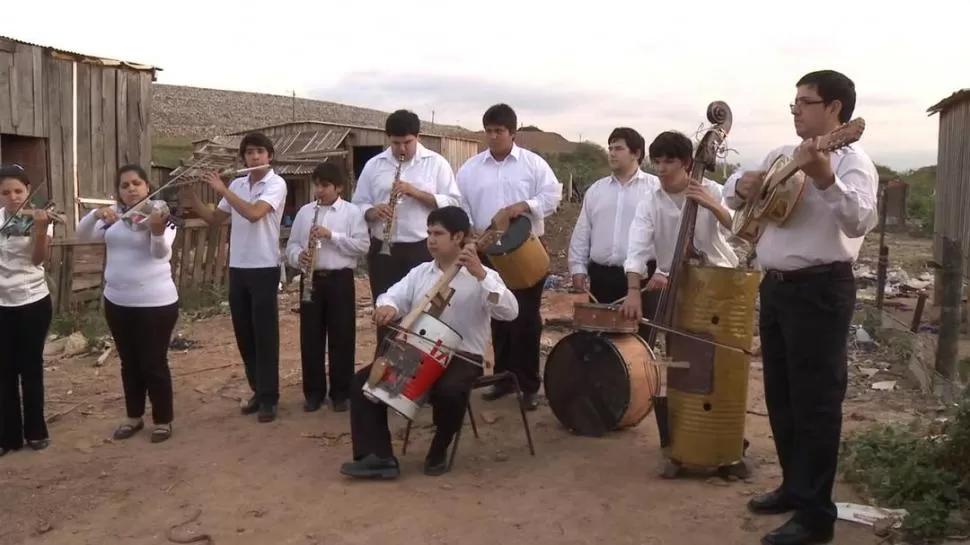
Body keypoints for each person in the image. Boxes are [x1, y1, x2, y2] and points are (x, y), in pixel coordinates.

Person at [723, 70, 877, 545]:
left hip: (820, 291)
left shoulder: (853, 161)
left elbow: (859, 220)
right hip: (778, 288)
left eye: (805, 103)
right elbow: (732, 191)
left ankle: (816, 517)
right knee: (782, 396)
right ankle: (795, 487)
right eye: (793, 104)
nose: (796, 110)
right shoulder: (781, 155)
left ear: (835, 110)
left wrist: (825, 178)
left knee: (816, 404)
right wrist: (743, 185)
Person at [340, 206, 518, 479]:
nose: (431, 240)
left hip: (463, 356)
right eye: (428, 233)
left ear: (459, 237)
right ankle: (378, 457)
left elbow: (510, 311)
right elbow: (392, 296)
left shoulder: (483, 275)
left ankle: (439, 447)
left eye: (438, 233)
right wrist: (386, 307)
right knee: (364, 384)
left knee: (449, 391)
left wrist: (481, 275)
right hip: (418, 351)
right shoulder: (420, 273)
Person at [456, 103, 562, 410]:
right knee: (499, 315)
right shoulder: (471, 168)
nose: (493, 136)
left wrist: (523, 205)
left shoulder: (533, 165)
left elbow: (552, 194)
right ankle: (503, 379)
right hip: (488, 253)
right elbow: (459, 201)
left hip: (525, 251)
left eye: (499, 131)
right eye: (488, 131)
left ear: (513, 132)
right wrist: (469, 231)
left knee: (526, 318)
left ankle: (528, 385)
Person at [182, 132, 288, 423]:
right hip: (238, 267)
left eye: (259, 152)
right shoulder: (239, 183)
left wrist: (222, 190)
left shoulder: (276, 184)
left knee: (265, 335)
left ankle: (270, 397)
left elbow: (254, 213)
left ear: (269, 156)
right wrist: (192, 196)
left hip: (264, 267)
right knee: (245, 334)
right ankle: (257, 389)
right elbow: (215, 219)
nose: (254, 157)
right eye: (249, 152)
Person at [76, 164, 180, 443]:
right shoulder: (116, 216)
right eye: (125, 185)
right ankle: (133, 417)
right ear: (119, 191)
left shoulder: (160, 215)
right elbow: (83, 235)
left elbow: (160, 254)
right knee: (129, 362)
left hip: (156, 302)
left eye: (136, 183)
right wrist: (95, 214)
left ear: (148, 186)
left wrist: (156, 232)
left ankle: (163, 419)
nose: (131, 188)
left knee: (153, 362)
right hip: (118, 300)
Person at [352, 109, 462, 351]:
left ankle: (420, 374)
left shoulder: (436, 163)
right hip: (383, 250)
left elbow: (454, 203)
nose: (401, 149)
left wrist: (416, 193)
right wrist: (373, 211)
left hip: (423, 249)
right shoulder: (374, 165)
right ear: (388, 139)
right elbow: (357, 203)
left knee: (425, 312)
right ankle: (385, 375)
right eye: (395, 143)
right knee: (386, 313)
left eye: (407, 143)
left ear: (418, 137)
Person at [620, 130, 739, 322]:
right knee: (679, 348)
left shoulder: (712, 190)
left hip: (719, 280)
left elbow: (737, 227)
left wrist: (712, 204)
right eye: (657, 162)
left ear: (685, 163)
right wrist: (633, 290)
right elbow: (637, 247)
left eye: (668, 162)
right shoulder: (649, 201)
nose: (661, 169)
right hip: (676, 285)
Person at [285, 163, 369, 413]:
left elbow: (362, 247)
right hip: (311, 279)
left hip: (340, 279)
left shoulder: (352, 213)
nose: (319, 191)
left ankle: (341, 393)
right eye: (317, 185)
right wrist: (298, 256)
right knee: (310, 338)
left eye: (325, 186)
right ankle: (313, 393)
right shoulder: (304, 213)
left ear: (339, 187)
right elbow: (291, 246)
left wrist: (331, 235)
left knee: (342, 337)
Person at [567, 127, 660, 337]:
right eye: (610, 148)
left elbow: (666, 236)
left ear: (636, 153)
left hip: (643, 279)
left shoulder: (655, 189)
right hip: (602, 278)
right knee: (600, 344)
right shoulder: (596, 190)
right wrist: (578, 268)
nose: (612, 153)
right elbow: (583, 231)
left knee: (639, 344)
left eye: (618, 148)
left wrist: (663, 271)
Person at [0, 164, 54, 456]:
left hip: (32, 301)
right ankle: (8, 436)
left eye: (18, 191)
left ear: (28, 191)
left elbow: (37, 260)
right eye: (5, 192)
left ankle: (36, 430)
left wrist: (42, 231)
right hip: (1, 304)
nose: (12, 197)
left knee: (30, 368)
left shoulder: (38, 219)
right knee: (3, 371)